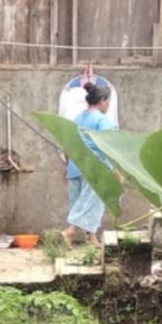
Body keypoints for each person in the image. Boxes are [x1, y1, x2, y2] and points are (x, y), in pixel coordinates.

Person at [62, 82, 115, 248]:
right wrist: (114, 169)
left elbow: (69, 143)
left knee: (81, 202)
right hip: (95, 168)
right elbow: (109, 146)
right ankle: (69, 232)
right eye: (108, 101)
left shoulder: (79, 118)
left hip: (75, 166)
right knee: (92, 203)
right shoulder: (102, 120)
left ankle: (92, 238)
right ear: (103, 101)